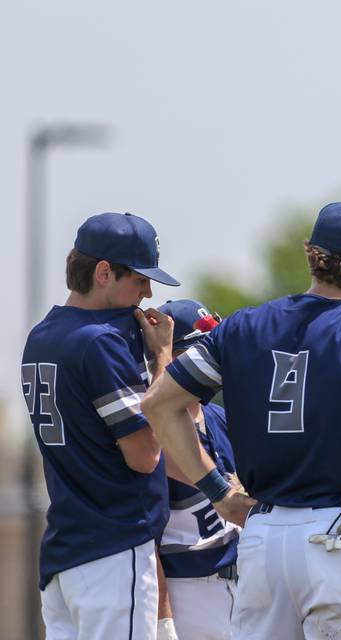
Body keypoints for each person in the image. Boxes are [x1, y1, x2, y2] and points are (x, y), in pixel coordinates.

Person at [142, 201, 341, 640]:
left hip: (261, 537)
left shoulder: (242, 328)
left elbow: (158, 404)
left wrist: (217, 492)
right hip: (338, 536)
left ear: (311, 253)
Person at [21, 212, 179, 640]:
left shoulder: (42, 334)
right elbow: (145, 456)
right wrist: (162, 357)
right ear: (104, 272)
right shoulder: (101, 340)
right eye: (140, 279)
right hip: (113, 548)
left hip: (66, 554)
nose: (147, 293)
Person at [154, 299, 240, 640]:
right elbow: (147, 544)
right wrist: (164, 623)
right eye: (196, 353)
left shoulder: (219, 418)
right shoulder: (148, 438)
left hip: (242, 585)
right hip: (186, 591)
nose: (211, 362)